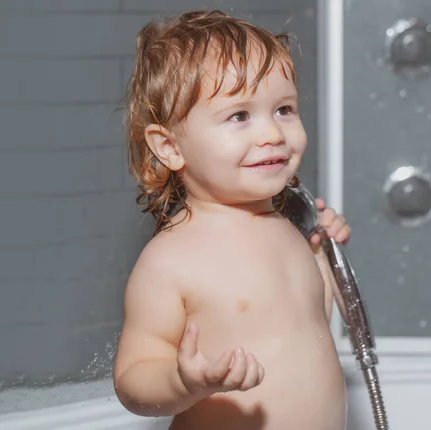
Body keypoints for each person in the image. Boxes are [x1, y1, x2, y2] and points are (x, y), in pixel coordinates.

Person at [112, 9, 351, 430]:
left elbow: (308, 330)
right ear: (169, 148)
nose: (273, 134)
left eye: (284, 109)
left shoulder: (287, 229)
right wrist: (182, 382)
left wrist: (323, 260)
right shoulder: (171, 259)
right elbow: (133, 377)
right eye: (240, 116)